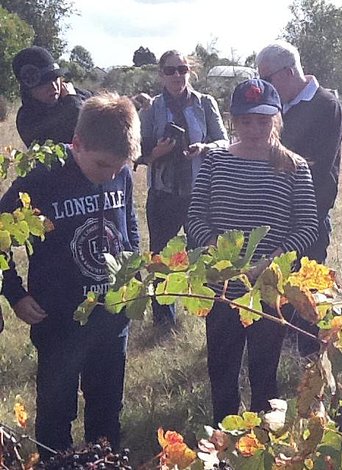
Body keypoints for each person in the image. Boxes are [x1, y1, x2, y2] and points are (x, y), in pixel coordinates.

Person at [0, 92, 141, 458]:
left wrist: (133, 275)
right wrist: (15, 293)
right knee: (55, 413)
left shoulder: (120, 172)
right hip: (58, 319)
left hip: (111, 316)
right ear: (77, 144)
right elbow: (0, 233)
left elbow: (129, 227)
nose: (110, 175)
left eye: (118, 168)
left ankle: (104, 463)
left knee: (106, 412)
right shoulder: (42, 178)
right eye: (102, 165)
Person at [187, 79, 318, 425]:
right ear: (234, 121)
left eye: (263, 121)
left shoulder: (294, 166)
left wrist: (268, 262)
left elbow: (308, 226)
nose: (255, 129)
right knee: (222, 372)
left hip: (268, 291)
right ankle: (222, 440)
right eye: (246, 121)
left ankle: (262, 444)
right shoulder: (215, 162)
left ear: (276, 119)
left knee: (265, 376)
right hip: (222, 288)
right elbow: (195, 217)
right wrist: (220, 255)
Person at [256, 40, 342, 355]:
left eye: (267, 79)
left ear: (289, 72)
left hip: (309, 218)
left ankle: (309, 358)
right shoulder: (278, 106)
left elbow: (315, 168)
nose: (264, 86)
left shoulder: (326, 106)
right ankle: (278, 350)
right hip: (276, 217)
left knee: (307, 293)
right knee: (276, 289)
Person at [137, 50, 228, 328]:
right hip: (163, 193)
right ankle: (164, 320)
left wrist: (204, 148)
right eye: (170, 70)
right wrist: (158, 151)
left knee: (205, 253)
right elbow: (139, 152)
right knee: (161, 257)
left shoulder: (205, 103)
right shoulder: (152, 108)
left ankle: (211, 314)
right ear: (160, 74)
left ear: (190, 71)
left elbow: (224, 142)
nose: (177, 75)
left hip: (199, 193)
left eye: (182, 69)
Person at [12, 46, 92, 147]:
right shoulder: (27, 119)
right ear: (29, 90)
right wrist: (72, 103)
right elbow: (56, 146)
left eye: (55, 78)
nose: (53, 87)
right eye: (44, 83)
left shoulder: (81, 95)